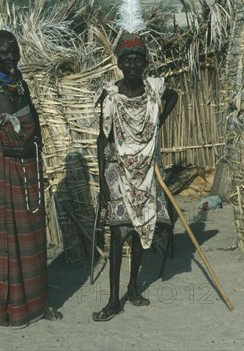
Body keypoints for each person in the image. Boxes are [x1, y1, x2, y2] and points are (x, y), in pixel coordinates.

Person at [0, 30, 61, 329]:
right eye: (3, 52)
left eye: (14, 51)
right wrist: (14, 143)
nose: (10, 57)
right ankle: (5, 311)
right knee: (2, 242)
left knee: (32, 240)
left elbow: (34, 123)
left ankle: (37, 303)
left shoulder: (20, 87)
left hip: (25, 175)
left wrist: (29, 143)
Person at [92, 30, 178, 322]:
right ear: (119, 64)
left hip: (147, 168)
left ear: (144, 63)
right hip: (119, 169)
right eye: (126, 60)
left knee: (144, 228)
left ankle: (132, 289)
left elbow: (175, 96)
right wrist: (104, 181)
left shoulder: (154, 88)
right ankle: (114, 300)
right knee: (118, 233)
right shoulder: (110, 94)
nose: (132, 65)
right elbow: (102, 140)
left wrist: (156, 126)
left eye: (137, 60)